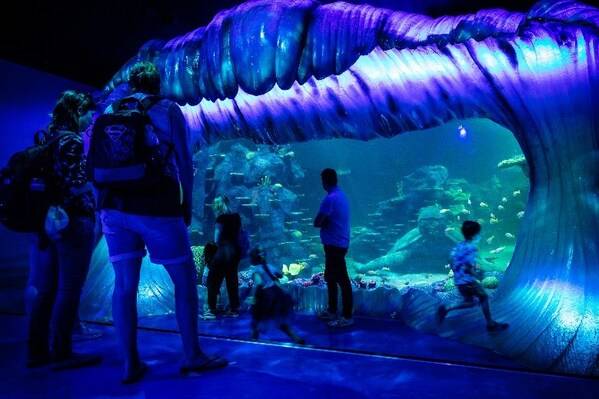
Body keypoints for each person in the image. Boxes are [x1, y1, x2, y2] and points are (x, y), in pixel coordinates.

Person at [92, 62, 227, 383]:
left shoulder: (111, 109)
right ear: (157, 84)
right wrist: (187, 203)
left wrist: (102, 207)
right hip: (156, 206)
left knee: (124, 286)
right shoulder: (167, 109)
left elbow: (96, 159)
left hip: (113, 206)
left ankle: (130, 363)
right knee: (184, 279)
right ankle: (193, 354)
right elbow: (183, 160)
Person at [26, 90, 101, 369]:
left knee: (47, 288)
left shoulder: (47, 138)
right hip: (72, 221)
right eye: (89, 113)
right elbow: (76, 182)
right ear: (77, 112)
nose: (91, 119)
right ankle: (62, 351)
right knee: (69, 288)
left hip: (47, 222)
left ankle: (36, 352)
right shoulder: (72, 140)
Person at [437, 220, 509, 332]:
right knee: (483, 297)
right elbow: (468, 266)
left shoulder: (459, 245)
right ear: (474, 234)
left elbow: (451, 259)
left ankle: (447, 309)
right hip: (468, 281)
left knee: (469, 301)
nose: (479, 236)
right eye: (478, 233)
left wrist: (457, 273)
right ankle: (490, 324)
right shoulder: (471, 248)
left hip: (459, 280)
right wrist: (477, 275)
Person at [313, 168, 353, 327]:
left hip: (334, 245)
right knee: (330, 277)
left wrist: (324, 223)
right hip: (339, 242)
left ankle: (347, 316)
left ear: (325, 181)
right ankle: (332, 309)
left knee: (342, 280)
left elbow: (317, 222)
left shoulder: (330, 198)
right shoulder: (342, 196)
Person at [245, 247, 304, 344]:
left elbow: (259, 283)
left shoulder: (256, 270)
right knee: (281, 322)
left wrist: (254, 297)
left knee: (256, 319)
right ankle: (296, 338)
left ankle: (253, 339)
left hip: (265, 297)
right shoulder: (271, 267)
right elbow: (279, 277)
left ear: (252, 258)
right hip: (277, 295)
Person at [204, 195, 242, 319]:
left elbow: (217, 238)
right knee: (232, 281)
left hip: (223, 252)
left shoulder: (220, 218)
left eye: (215, 203)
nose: (214, 206)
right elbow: (240, 234)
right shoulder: (236, 217)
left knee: (213, 281)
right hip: (235, 252)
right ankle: (234, 309)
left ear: (219, 204)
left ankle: (211, 309)